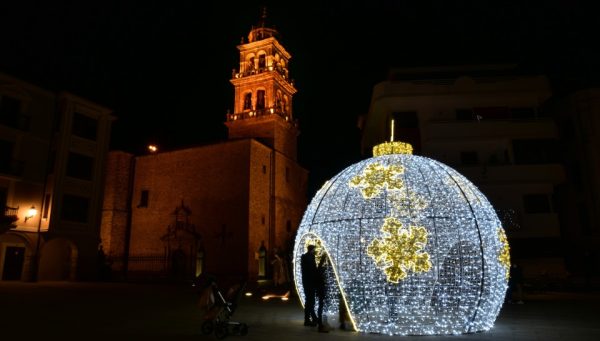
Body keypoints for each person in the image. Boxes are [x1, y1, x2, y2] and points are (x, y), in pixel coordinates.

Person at [300, 244, 318, 326]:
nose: (315, 251)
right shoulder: (309, 257)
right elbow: (312, 269)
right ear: (311, 250)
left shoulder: (306, 257)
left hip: (307, 281)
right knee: (310, 300)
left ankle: (312, 318)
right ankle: (308, 319)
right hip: (309, 282)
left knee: (310, 300)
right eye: (314, 249)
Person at [316, 254, 330, 333]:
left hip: (321, 290)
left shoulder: (319, 269)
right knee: (321, 306)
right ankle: (321, 325)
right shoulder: (321, 270)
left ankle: (322, 323)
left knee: (322, 306)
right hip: (321, 290)